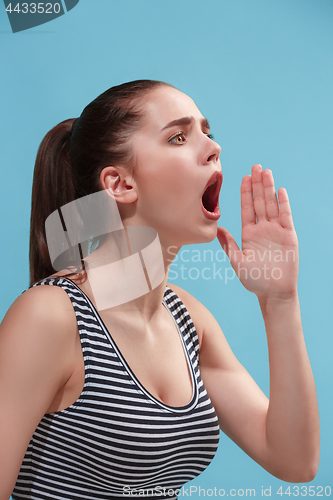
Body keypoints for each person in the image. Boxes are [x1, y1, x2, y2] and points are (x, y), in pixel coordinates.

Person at [0, 80, 319, 500]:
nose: (211, 147)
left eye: (208, 132)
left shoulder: (190, 320)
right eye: (179, 137)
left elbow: (294, 461)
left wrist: (280, 301)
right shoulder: (50, 316)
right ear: (120, 184)